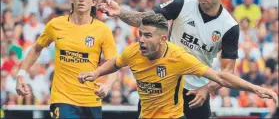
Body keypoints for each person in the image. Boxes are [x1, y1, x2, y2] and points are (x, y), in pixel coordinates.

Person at [78, 13, 278, 119]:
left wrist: (256, 89)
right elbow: (116, 62)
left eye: (148, 35)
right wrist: (95, 73)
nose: (141, 40)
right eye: (140, 34)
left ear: (163, 38)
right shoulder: (133, 52)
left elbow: (221, 76)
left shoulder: (179, 57)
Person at [98, 0, 240, 118]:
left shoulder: (229, 26)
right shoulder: (182, 4)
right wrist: (120, 12)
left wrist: (207, 89)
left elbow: (227, 71)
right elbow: (146, 20)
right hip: (164, 84)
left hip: (196, 92)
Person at [15, 0, 118, 118]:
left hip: (91, 100)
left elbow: (114, 63)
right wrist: (21, 74)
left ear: (94, 2)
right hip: (62, 99)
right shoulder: (55, 24)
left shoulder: (103, 30)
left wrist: (107, 85)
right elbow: (36, 49)